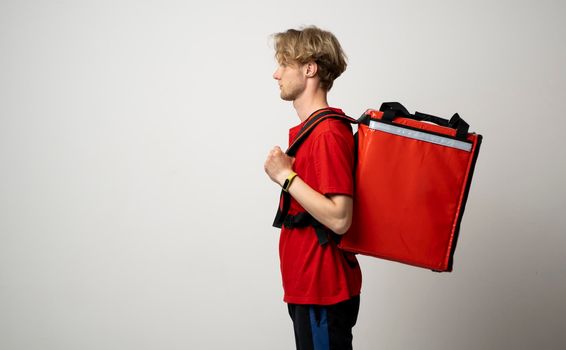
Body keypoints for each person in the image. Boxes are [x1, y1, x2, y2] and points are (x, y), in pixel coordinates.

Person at [264, 26, 362, 350]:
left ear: (309, 69)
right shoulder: (313, 131)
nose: (276, 73)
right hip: (308, 289)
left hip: (323, 290)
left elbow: (340, 218)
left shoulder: (327, 134)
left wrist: (285, 177)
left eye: (284, 64)